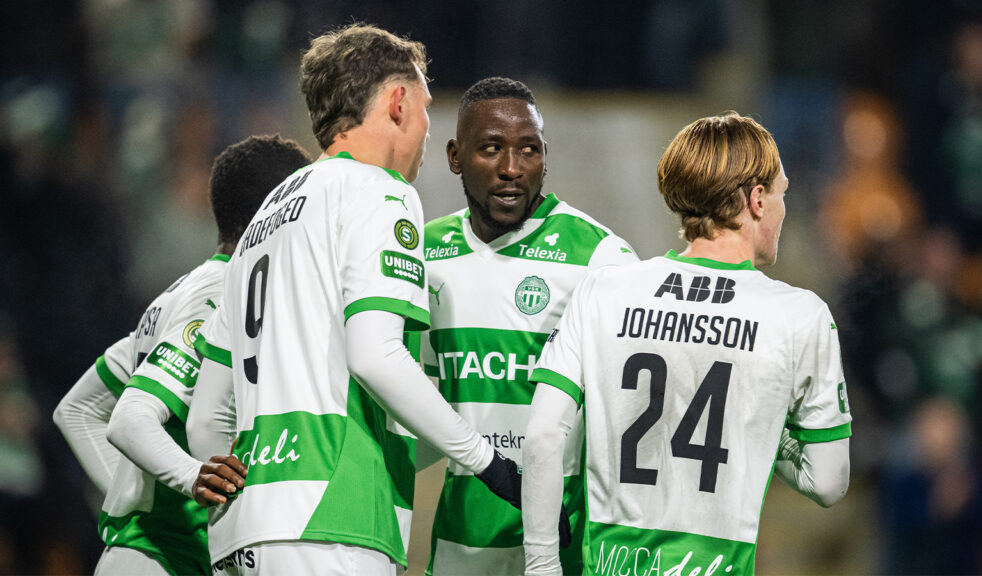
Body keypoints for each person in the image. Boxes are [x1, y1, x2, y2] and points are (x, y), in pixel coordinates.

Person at [187, 25, 523, 576]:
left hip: (242, 529)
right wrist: (488, 462)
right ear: (396, 102)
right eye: (425, 106)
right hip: (332, 518)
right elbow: (375, 356)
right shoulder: (377, 191)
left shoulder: (263, 221)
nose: (426, 127)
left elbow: (205, 419)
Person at [522, 112, 852, 575]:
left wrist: (541, 566)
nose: (783, 208)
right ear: (757, 200)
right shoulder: (799, 315)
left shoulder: (603, 290)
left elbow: (540, 437)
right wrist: (766, 427)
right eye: (782, 193)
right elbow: (830, 481)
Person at [53, 134, 313, 575]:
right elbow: (129, 417)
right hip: (163, 560)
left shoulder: (186, 290)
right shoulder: (218, 298)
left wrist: (135, 496)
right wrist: (190, 481)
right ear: (275, 212)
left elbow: (78, 409)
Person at [418, 77, 637, 575]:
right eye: (491, 149)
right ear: (455, 156)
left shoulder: (600, 256)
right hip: (461, 541)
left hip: (566, 542)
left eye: (529, 151)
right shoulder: (426, 254)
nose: (512, 169)